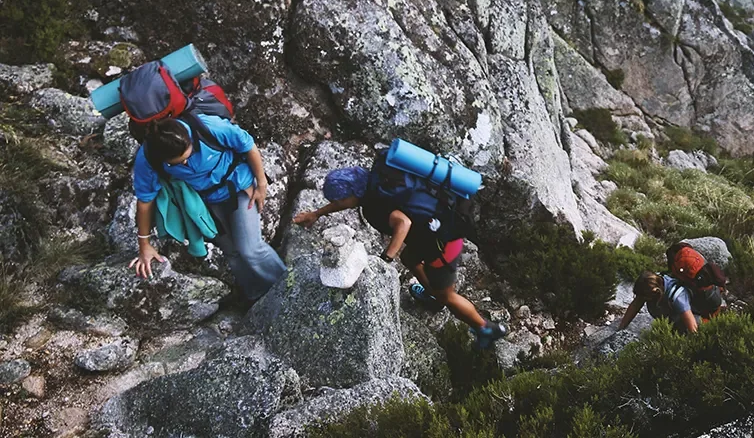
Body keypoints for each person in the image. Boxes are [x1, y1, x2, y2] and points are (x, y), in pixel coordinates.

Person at [292, 152, 508, 350]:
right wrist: (316, 214)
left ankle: (486, 328)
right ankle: (433, 296)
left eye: (339, 200)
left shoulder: (375, 204)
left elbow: (403, 223)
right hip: (431, 230)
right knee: (410, 258)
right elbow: (347, 200)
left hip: (445, 239)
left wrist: (385, 259)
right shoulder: (374, 178)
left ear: (352, 194)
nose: (339, 204)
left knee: (448, 295)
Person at [128, 116, 287, 301]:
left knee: (251, 249)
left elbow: (247, 144)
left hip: (238, 187)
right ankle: (256, 297)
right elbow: (145, 201)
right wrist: (144, 246)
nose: (186, 165)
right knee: (232, 253)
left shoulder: (208, 127)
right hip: (205, 203)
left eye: (189, 156)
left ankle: (287, 289)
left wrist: (261, 184)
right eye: (177, 164)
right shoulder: (147, 159)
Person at [615, 271, 699, 334]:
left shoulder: (678, 298)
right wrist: (620, 329)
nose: (642, 300)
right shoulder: (651, 284)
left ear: (655, 292)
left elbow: (693, 329)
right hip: (670, 325)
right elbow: (635, 305)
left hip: (691, 321)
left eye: (645, 298)